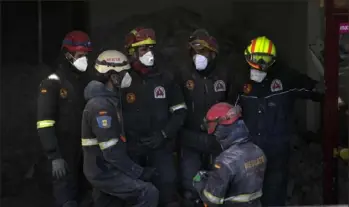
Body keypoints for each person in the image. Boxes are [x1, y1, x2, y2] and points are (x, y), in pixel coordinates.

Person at [239, 36, 323, 206]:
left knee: (275, 194)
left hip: (277, 151)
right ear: (248, 57)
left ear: (274, 60)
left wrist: (335, 93)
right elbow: (227, 112)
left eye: (266, 59)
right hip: (248, 150)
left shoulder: (286, 79)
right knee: (246, 196)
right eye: (256, 59)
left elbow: (315, 90)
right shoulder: (239, 81)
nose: (261, 63)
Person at [81, 50, 159, 207]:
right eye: (124, 73)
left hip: (103, 166)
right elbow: (111, 153)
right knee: (149, 192)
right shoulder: (100, 107)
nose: (128, 77)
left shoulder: (110, 101)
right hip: (103, 171)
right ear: (114, 77)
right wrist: (139, 172)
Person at [122, 27, 187, 207]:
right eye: (143, 49)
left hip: (161, 149)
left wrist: (164, 134)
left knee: (168, 193)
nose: (149, 53)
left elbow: (180, 111)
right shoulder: (122, 79)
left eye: (151, 48)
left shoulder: (165, 77)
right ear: (132, 52)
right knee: (136, 196)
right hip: (132, 151)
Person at [175, 29, 239, 206]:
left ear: (212, 53)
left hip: (217, 142)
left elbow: (233, 104)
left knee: (218, 187)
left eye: (202, 51)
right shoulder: (182, 74)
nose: (198, 56)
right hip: (190, 140)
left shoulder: (225, 75)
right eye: (194, 52)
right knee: (190, 188)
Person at [36, 30, 93, 207]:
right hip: (63, 151)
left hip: (85, 151)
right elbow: (44, 123)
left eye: (86, 55)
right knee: (65, 198)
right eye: (80, 55)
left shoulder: (84, 81)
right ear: (68, 55)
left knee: (86, 196)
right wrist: (54, 156)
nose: (84, 59)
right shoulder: (53, 83)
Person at [192, 102, 267, 207]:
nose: (211, 132)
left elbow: (211, 200)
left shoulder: (225, 161)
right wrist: (214, 177)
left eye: (211, 127)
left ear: (221, 127)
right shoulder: (258, 151)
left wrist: (200, 183)